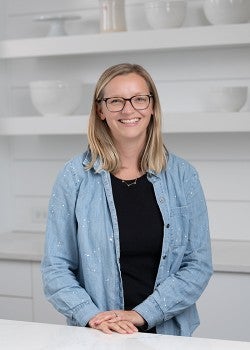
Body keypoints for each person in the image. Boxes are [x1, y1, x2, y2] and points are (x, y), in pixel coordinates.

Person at [41, 63, 213, 336]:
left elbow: (197, 265)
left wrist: (141, 315)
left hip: (167, 336)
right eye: (116, 101)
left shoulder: (183, 176)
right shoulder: (74, 177)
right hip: (98, 334)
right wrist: (94, 317)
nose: (129, 109)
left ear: (152, 106)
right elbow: (56, 268)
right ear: (100, 110)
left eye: (139, 99)